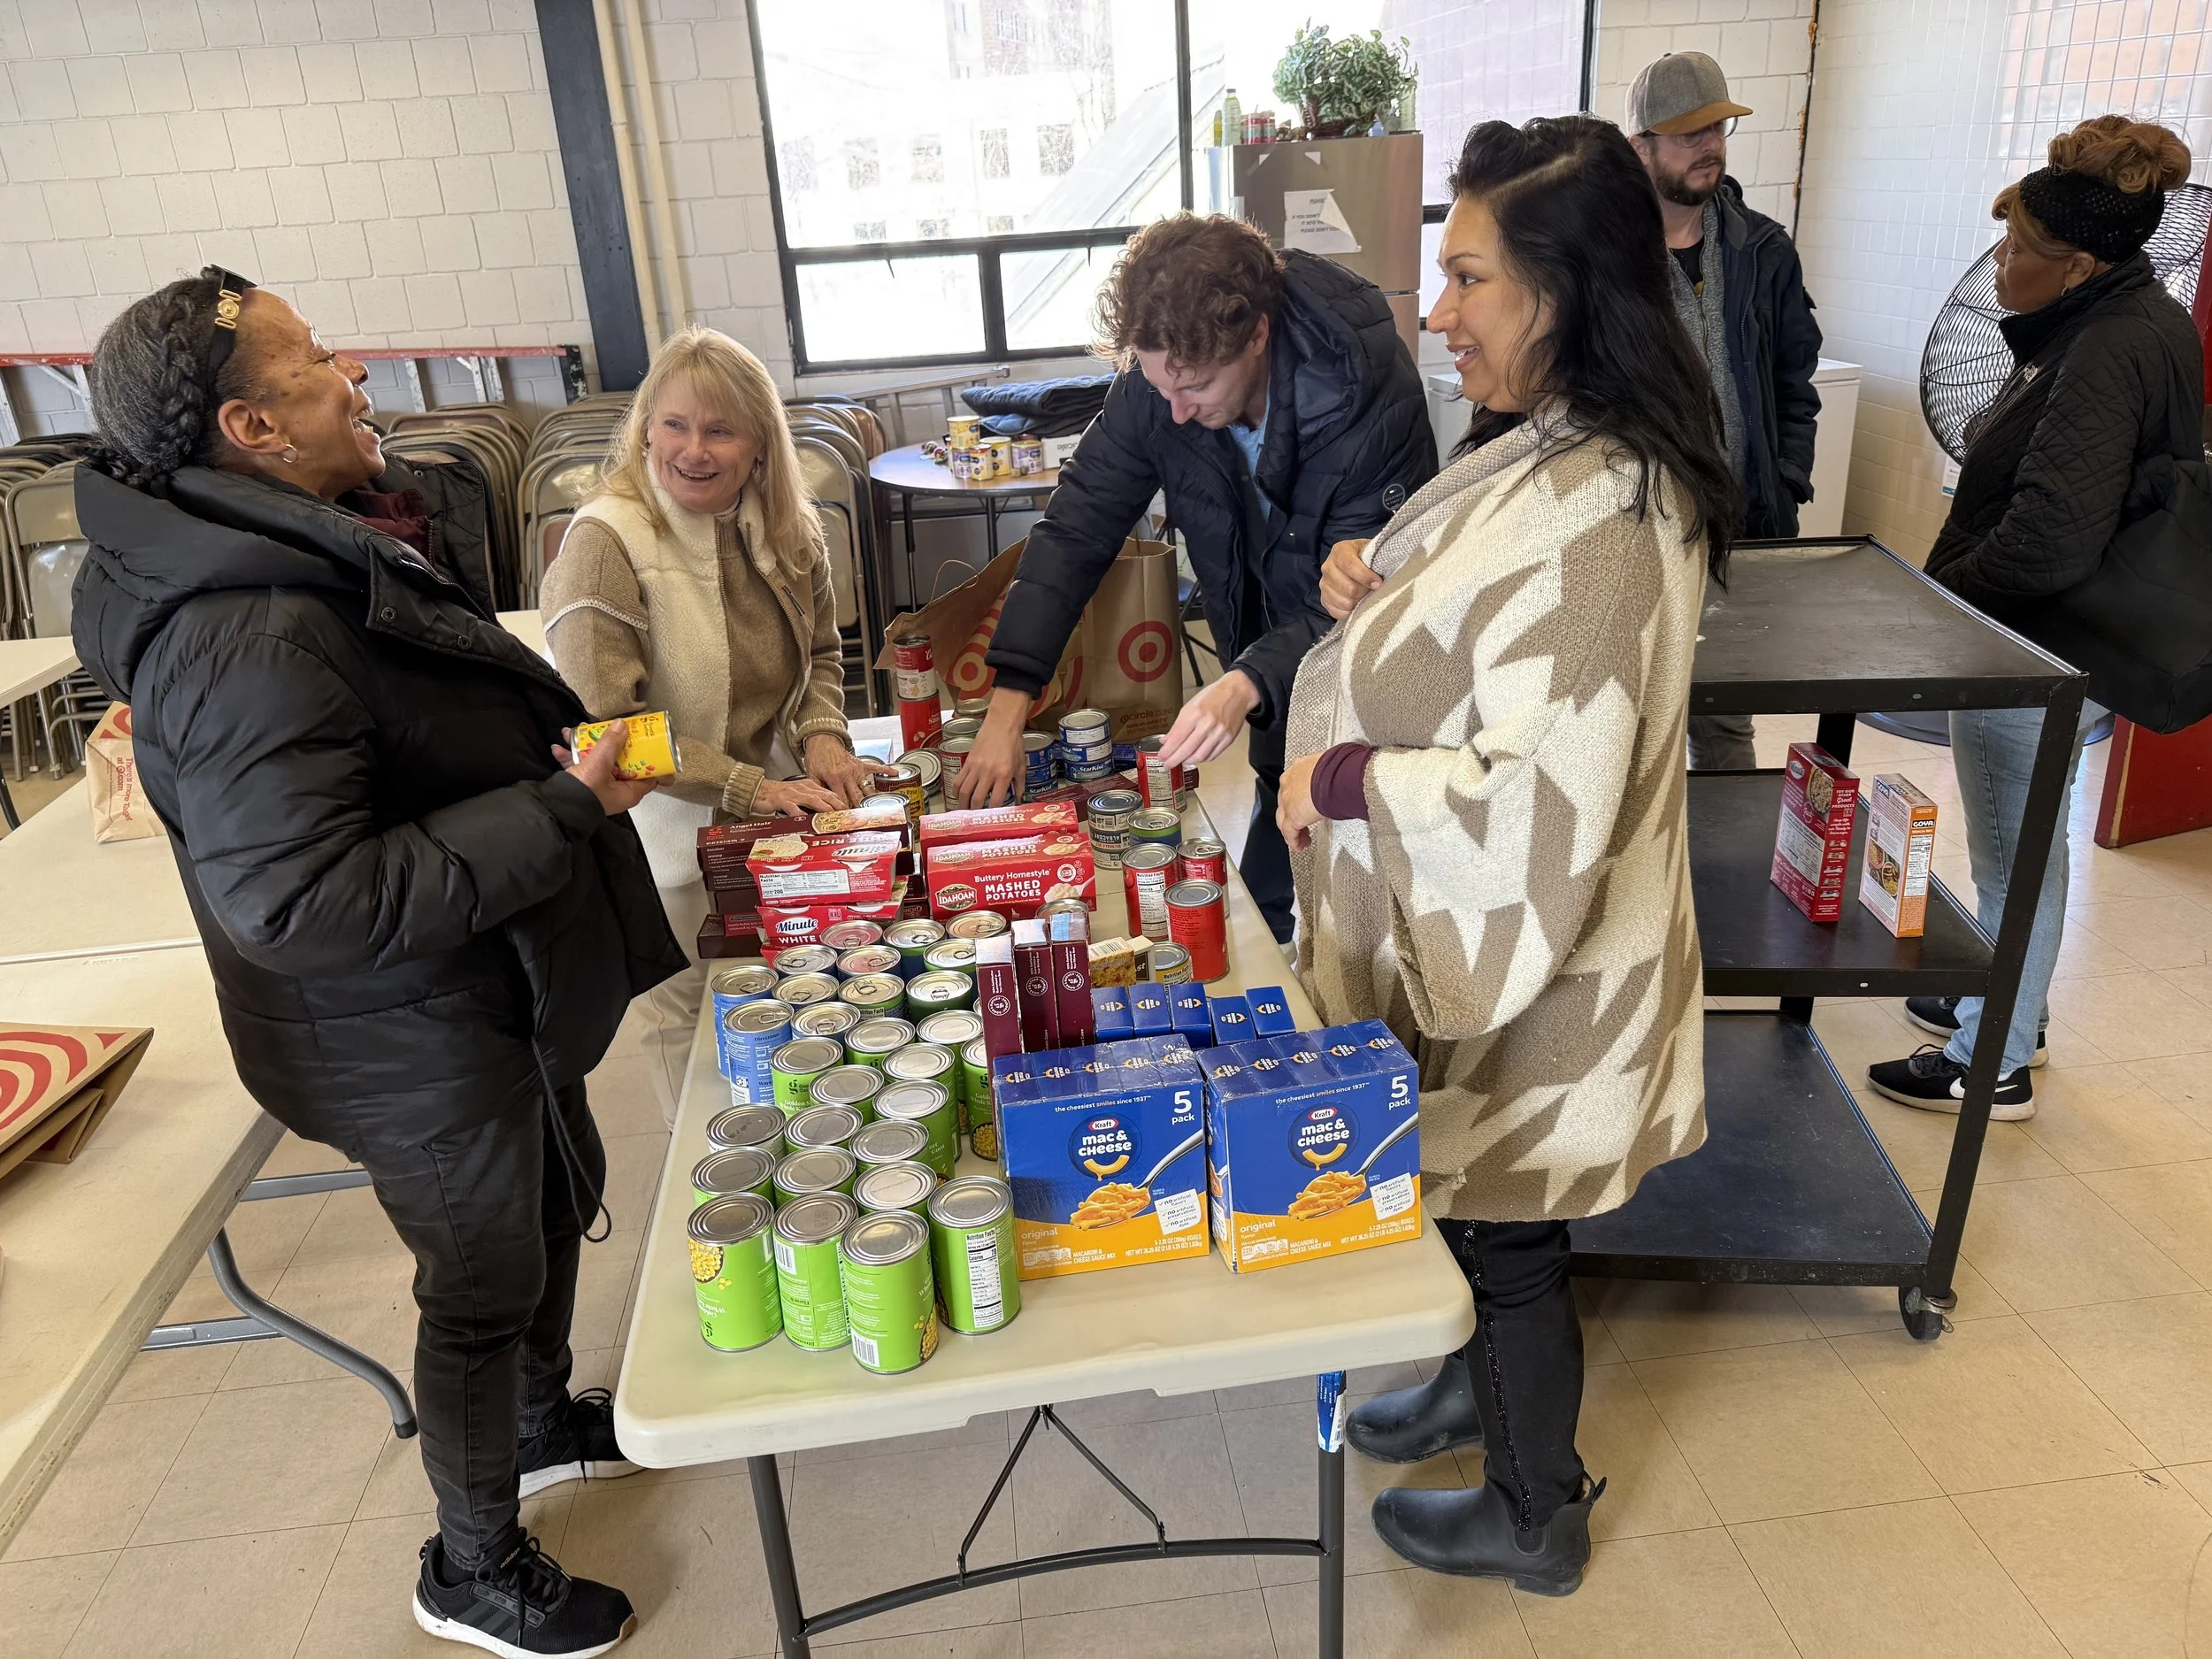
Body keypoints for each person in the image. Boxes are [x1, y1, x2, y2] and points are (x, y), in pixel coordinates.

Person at [71, 268, 686, 1659]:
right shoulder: (246, 628)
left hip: (481, 988)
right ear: (252, 426)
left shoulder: (289, 545)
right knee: (478, 1280)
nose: (356, 377)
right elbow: (299, 900)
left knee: (540, 1217)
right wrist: (565, 807)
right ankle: (471, 1566)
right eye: (317, 363)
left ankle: (538, 1427)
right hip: (409, 1024)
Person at [1279, 116, 1739, 1594]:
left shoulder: (1614, 508)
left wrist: (1346, 769)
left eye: (1469, 277)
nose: (1436, 308)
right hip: (1482, 956)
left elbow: (1540, 793)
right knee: (1466, 1207)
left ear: (1563, 287)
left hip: (1547, 970)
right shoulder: (1549, 444)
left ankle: (1539, 1509)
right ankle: (1451, 1386)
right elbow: (1484, 620)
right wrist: (1380, 586)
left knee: (1509, 1230)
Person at [952, 213, 1437, 943]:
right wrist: (1009, 699)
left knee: (1355, 859)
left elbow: (1363, 594)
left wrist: (1241, 683)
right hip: (1258, 621)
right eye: (1159, 387)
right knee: (1275, 786)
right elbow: (1079, 524)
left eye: (1198, 388)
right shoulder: (1164, 383)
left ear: (1258, 335)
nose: (1176, 411)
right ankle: (1272, 940)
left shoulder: (1366, 390)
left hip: (1360, 663)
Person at [1869, 116, 2201, 1121]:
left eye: (2017, 251)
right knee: (2020, 841)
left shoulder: (2103, 349)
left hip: (2033, 644)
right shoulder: (2135, 319)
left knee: (2016, 855)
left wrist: (1938, 600)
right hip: (2043, 640)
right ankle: (2015, 1009)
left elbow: (2052, 537)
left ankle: (1995, 1060)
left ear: (2079, 265)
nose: (1998, 266)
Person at [542, 326, 879, 1121]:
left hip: (773, 819)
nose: (694, 449)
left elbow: (825, 655)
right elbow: (608, 731)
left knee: (791, 999)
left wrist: (824, 733)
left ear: (760, 444)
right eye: (675, 424)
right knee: (691, 1026)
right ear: (644, 427)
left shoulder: (789, 527)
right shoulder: (603, 542)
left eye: (721, 429)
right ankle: (710, 1181)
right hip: (660, 841)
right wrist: (747, 785)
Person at [1626, 50, 1823, 771]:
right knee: (1628, 731)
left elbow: (1794, 382)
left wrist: (1787, 477)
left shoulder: (1762, 250)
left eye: (1718, 128)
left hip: (1737, 534)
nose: (1710, 146)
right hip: (1636, 536)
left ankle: (1716, 881)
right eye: (1688, 134)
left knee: (1725, 728)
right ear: (1639, 148)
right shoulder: (1611, 260)